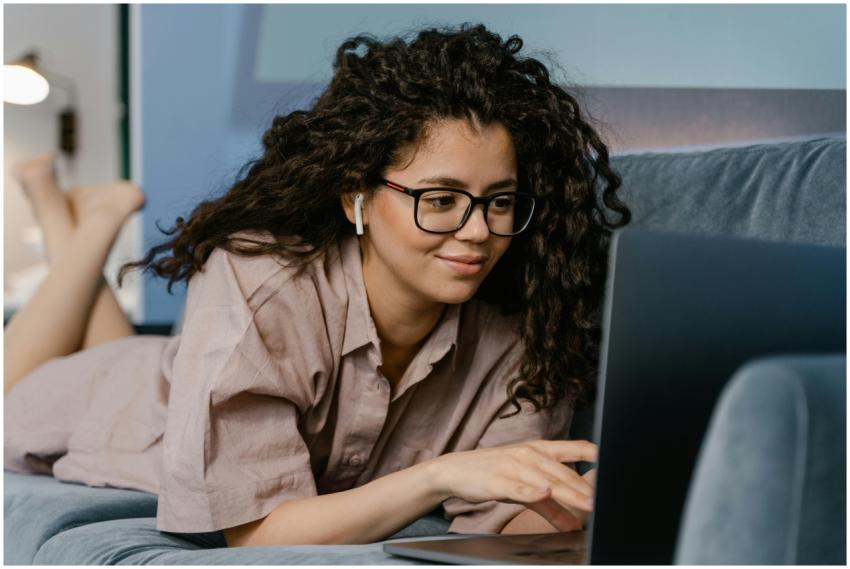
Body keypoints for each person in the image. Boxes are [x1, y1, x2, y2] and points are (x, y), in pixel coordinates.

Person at [4, 24, 630, 547]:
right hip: (122, 406)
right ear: (356, 196)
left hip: (182, 364)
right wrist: (439, 477)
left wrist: (572, 518)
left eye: (499, 202)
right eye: (440, 199)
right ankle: (93, 223)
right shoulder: (260, 278)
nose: (476, 233)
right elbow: (258, 536)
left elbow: (508, 513)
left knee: (137, 354)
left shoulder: (530, 326)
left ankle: (75, 218)